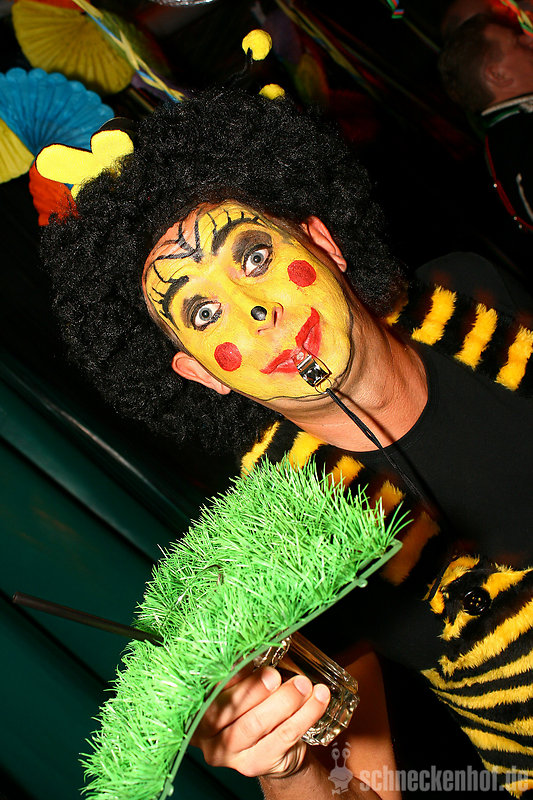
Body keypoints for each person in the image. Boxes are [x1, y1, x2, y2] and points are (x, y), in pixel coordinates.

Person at [41, 87, 533, 797]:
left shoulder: (473, 295)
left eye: (251, 257)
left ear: (322, 243)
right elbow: (360, 788)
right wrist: (287, 763)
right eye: (203, 312)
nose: (257, 312)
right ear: (200, 373)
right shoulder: (287, 545)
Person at [439, 11, 533, 233]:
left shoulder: (510, 137)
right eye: (517, 42)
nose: (529, 40)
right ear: (498, 75)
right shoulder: (521, 141)